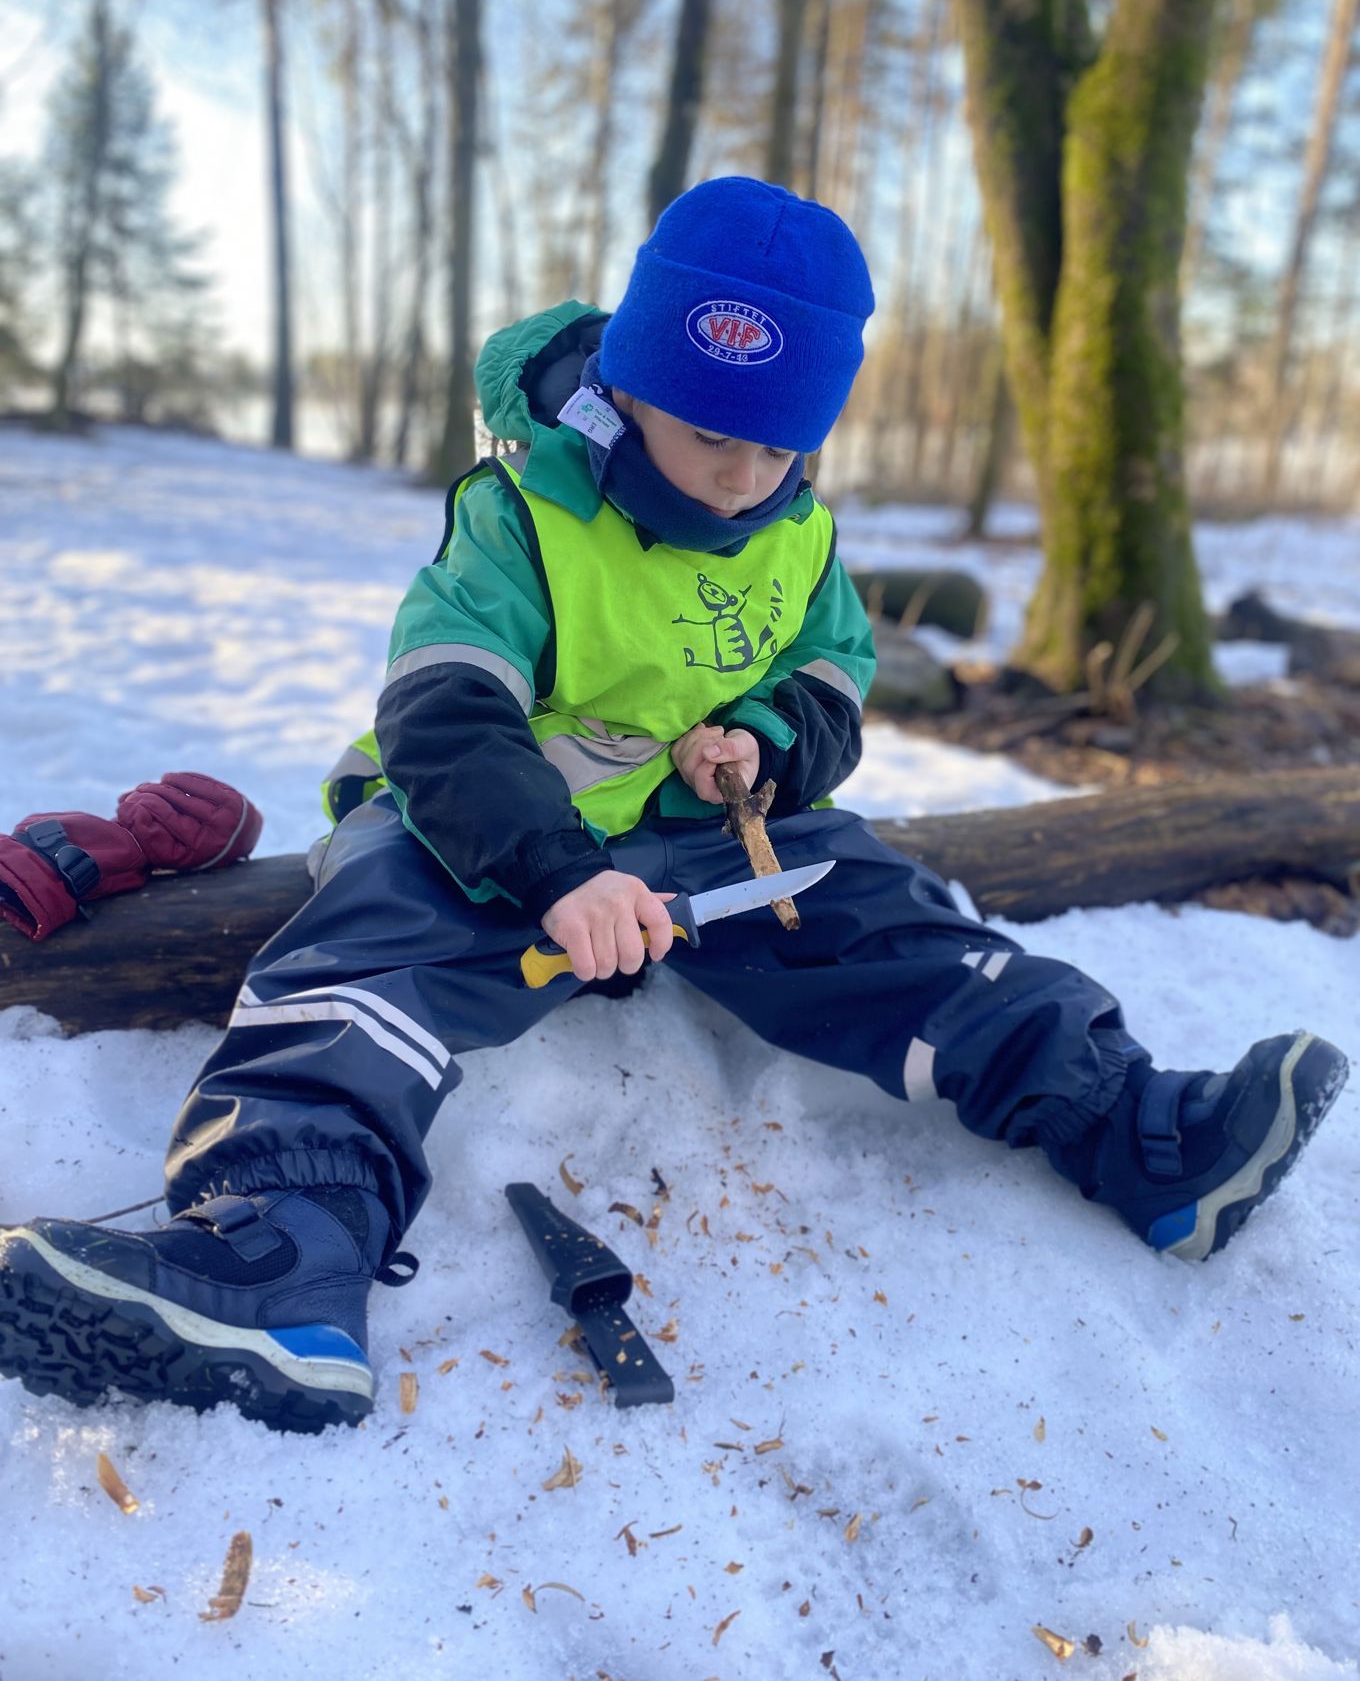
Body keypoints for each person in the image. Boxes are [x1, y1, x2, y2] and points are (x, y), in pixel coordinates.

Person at [0, 178, 1346, 1435]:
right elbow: (443, 711)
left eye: (782, 445)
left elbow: (833, 675)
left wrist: (766, 743)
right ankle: (280, 1258)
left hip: (701, 840)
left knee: (889, 910)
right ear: (634, 386)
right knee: (367, 947)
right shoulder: (522, 513)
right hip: (487, 831)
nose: (745, 477)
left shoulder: (799, 530)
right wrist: (555, 872)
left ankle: (1138, 1135)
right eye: (711, 434)